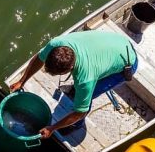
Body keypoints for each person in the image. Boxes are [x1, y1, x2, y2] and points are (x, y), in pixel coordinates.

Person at [10, 30, 138, 139]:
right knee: (81, 92)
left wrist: (53, 128)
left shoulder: (85, 78)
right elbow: (39, 58)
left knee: (89, 95)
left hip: (127, 62)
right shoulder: (56, 44)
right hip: (117, 42)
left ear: (70, 68)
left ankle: (76, 125)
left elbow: (80, 112)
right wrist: (22, 81)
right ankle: (76, 93)